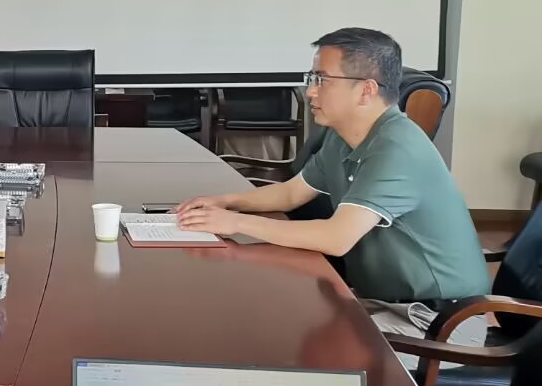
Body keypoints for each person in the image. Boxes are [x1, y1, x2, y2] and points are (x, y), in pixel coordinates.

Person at [176, 28, 489, 323]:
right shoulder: (344, 137)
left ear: (366, 90)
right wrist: (225, 202)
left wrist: (236, 223)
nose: (310, 91)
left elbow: (336, 238)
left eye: (322, 80)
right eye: (311, 78)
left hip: (437, 317)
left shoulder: (397, 149)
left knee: (275, 326)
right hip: (384, 300)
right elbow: (291, 194)